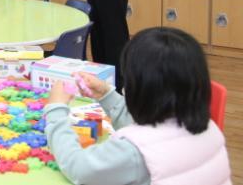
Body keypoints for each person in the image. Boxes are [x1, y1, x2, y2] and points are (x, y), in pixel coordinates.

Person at [45, 27, 232, 185]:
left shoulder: (133, 152)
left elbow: (78, 168)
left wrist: (56, 109)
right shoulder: (209, 128)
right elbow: (154, 136)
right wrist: (106, 95)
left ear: (140, 91)